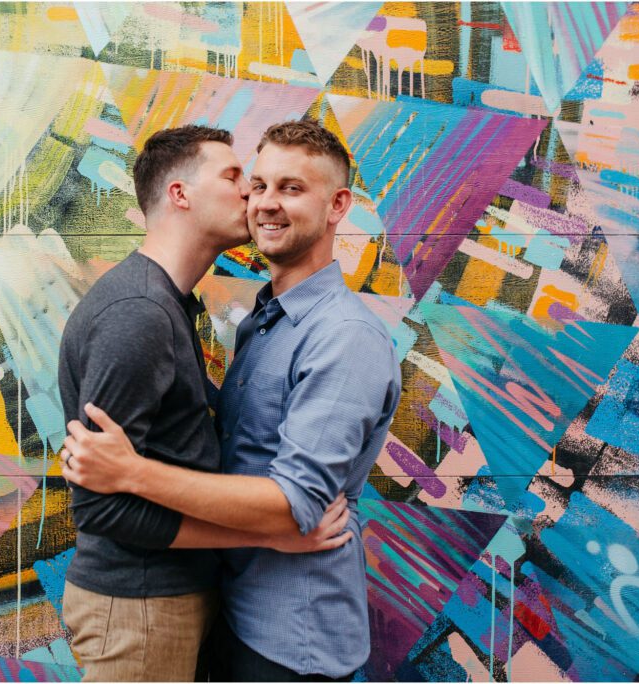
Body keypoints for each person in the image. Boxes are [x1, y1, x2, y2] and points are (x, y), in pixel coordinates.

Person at [62, 120, 403, 681]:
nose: (259, 200)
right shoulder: (252, 323)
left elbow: (295, 506)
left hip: (294, 637)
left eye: (290, 188)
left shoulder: (345, 337)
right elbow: (111, 493)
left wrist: (131, 472)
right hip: (226, 611)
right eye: (254, 183)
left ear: (338, 205)